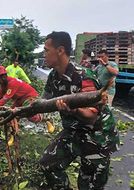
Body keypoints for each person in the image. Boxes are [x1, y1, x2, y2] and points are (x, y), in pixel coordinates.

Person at [39, 31, 119, 190]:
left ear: (60, 50)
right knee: (48, 164)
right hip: (73, 130)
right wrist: (33, 112)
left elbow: (91, 116)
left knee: (88, 184)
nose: (44, 54)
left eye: (46, 50)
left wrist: (73, 111)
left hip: (97, 135)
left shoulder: (83, 76)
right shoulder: (53, 76)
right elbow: (43, 102)